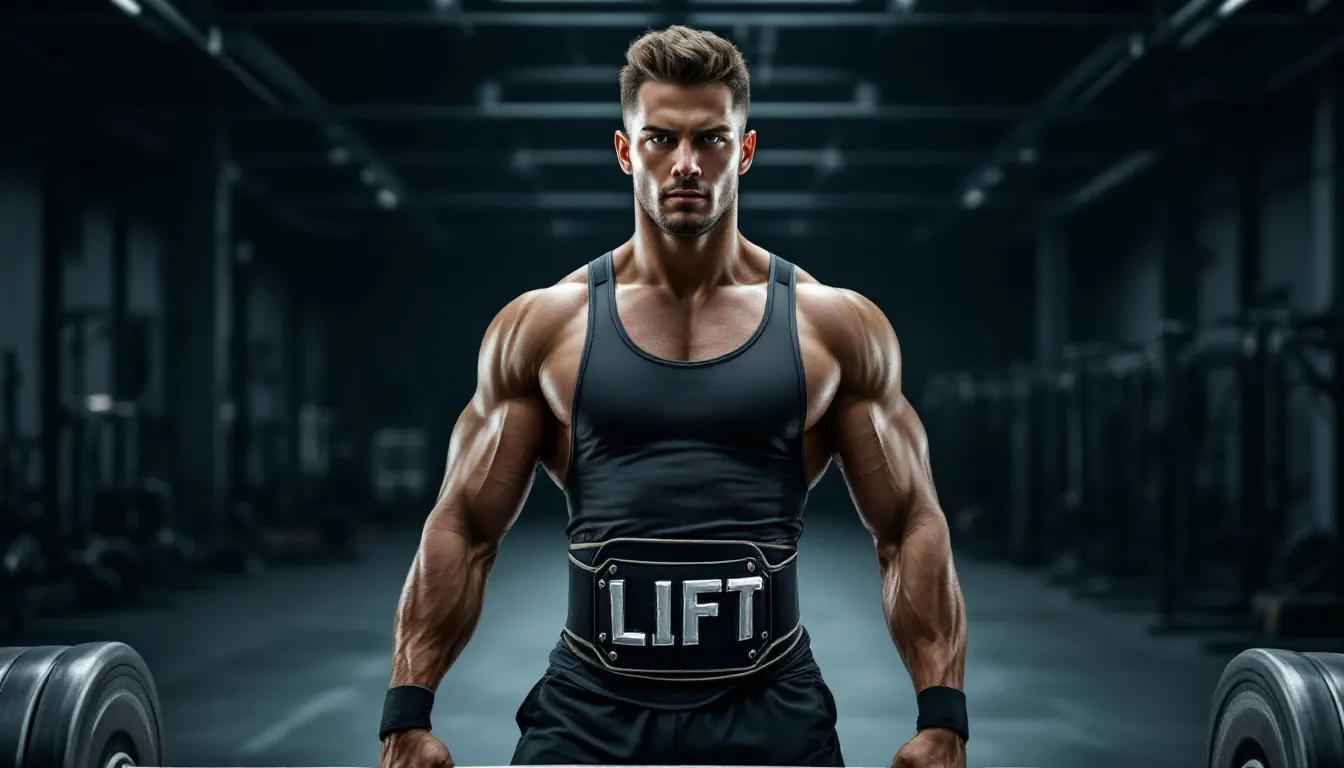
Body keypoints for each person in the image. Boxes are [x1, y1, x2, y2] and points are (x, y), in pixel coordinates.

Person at [378, 25, 968, 768]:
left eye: (712, 140)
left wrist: (942, 714)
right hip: (590, 710)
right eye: (659, 138)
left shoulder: (837, 327)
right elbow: (463, 525)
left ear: (744, 151)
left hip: (771, 705)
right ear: (625, 151)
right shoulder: (542, 326)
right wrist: (407, 711)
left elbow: (909, 521)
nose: (686, 164)